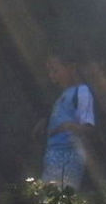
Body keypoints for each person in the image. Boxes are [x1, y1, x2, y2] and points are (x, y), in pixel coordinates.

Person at [36, 52, 95, 190]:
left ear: (71, 68)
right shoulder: (62, 96)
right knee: (49, 198)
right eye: (49, 72)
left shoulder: (81, 92)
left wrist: (69, 127)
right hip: (53, 153)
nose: (52, 75)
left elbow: (88, 126)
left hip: (68, 154)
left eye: (55, 70)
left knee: (62, 198)